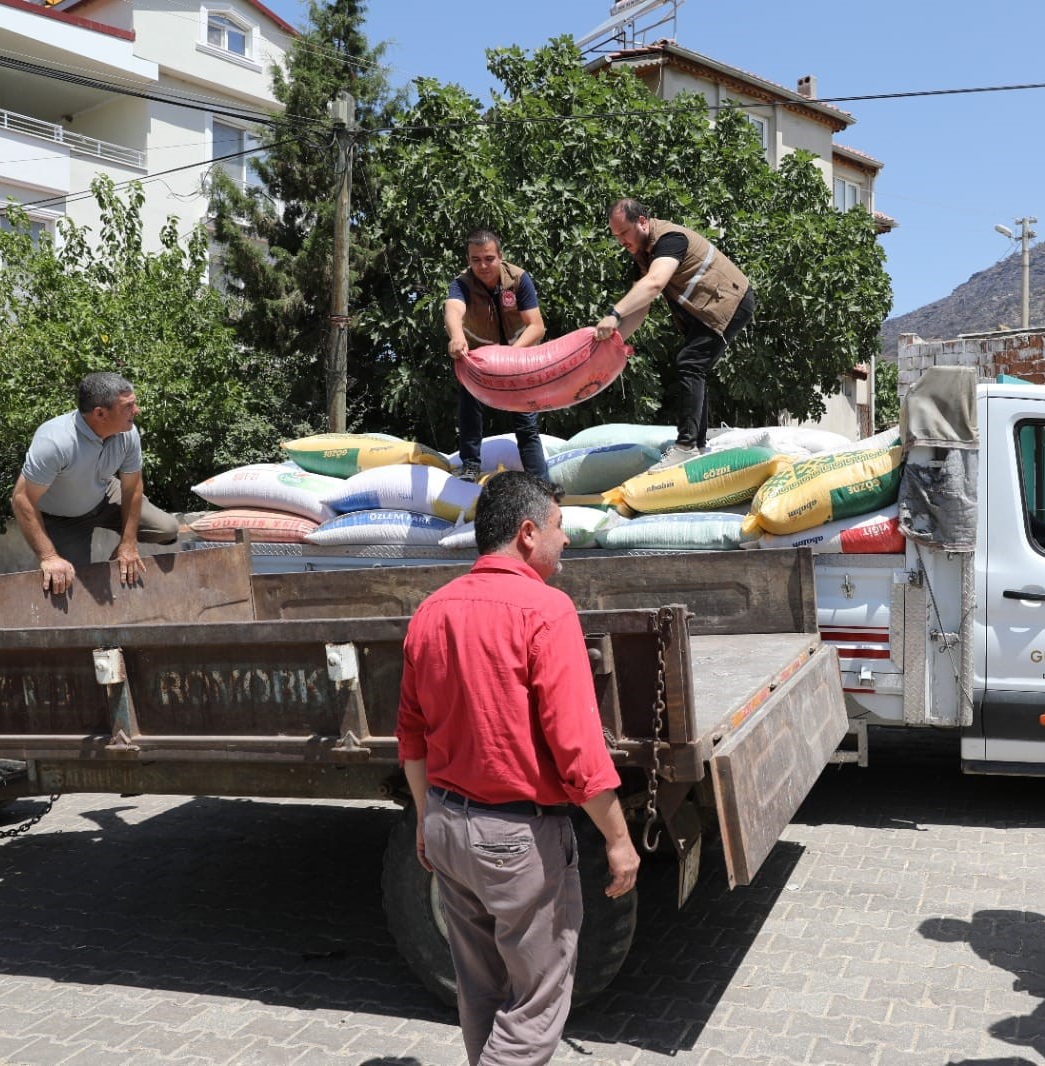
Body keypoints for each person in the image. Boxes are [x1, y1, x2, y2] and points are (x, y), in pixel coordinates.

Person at [396, 472, 639, 1066]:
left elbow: (411, 736)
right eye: (560, 528)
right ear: (528, 533)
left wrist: (427, 820)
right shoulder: (547, 611)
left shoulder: (431, 611)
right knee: (534, 1008)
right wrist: (618, 838)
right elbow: (578, 748)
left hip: (448, 828)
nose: (567, 542)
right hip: (516, 843)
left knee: (480, 989)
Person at [592, 198, 756, 469]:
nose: (621, 241)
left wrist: (613, 313)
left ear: (642, 222)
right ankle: (697, 445)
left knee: (690, 363)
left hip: (730, 301)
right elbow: (640, 306)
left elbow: (654, 284)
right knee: (693, 366)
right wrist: (615, 343)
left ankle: (687, 446)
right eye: (616, 235)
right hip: (704, 311)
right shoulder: (642, 254)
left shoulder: (671, 240)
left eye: (624, 233)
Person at [10, 371, 179, 595]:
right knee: (67, 585)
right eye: (128, 407)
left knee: (167, 529)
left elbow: (132, 488)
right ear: (100, 413)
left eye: (134, 404)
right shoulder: (55, 442)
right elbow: (21, 498)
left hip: (104, 496)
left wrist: (127, 544)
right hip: (62, 518)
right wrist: (49, 557)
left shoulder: (127, 433)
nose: (136, 411)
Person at [445, 229, 550, 482]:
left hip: (518, 355)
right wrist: (456, 337)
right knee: (469, 406)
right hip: (479, 359)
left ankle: (540, 482)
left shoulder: (518, 279)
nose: (482, 265)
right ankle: (470, 466)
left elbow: (537, 326)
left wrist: (511, 357)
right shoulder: (462, 283)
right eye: (475, 259)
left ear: (500, 257)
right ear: (468, 260)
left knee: (526, 422)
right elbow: (453, 310)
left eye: (489, 258)